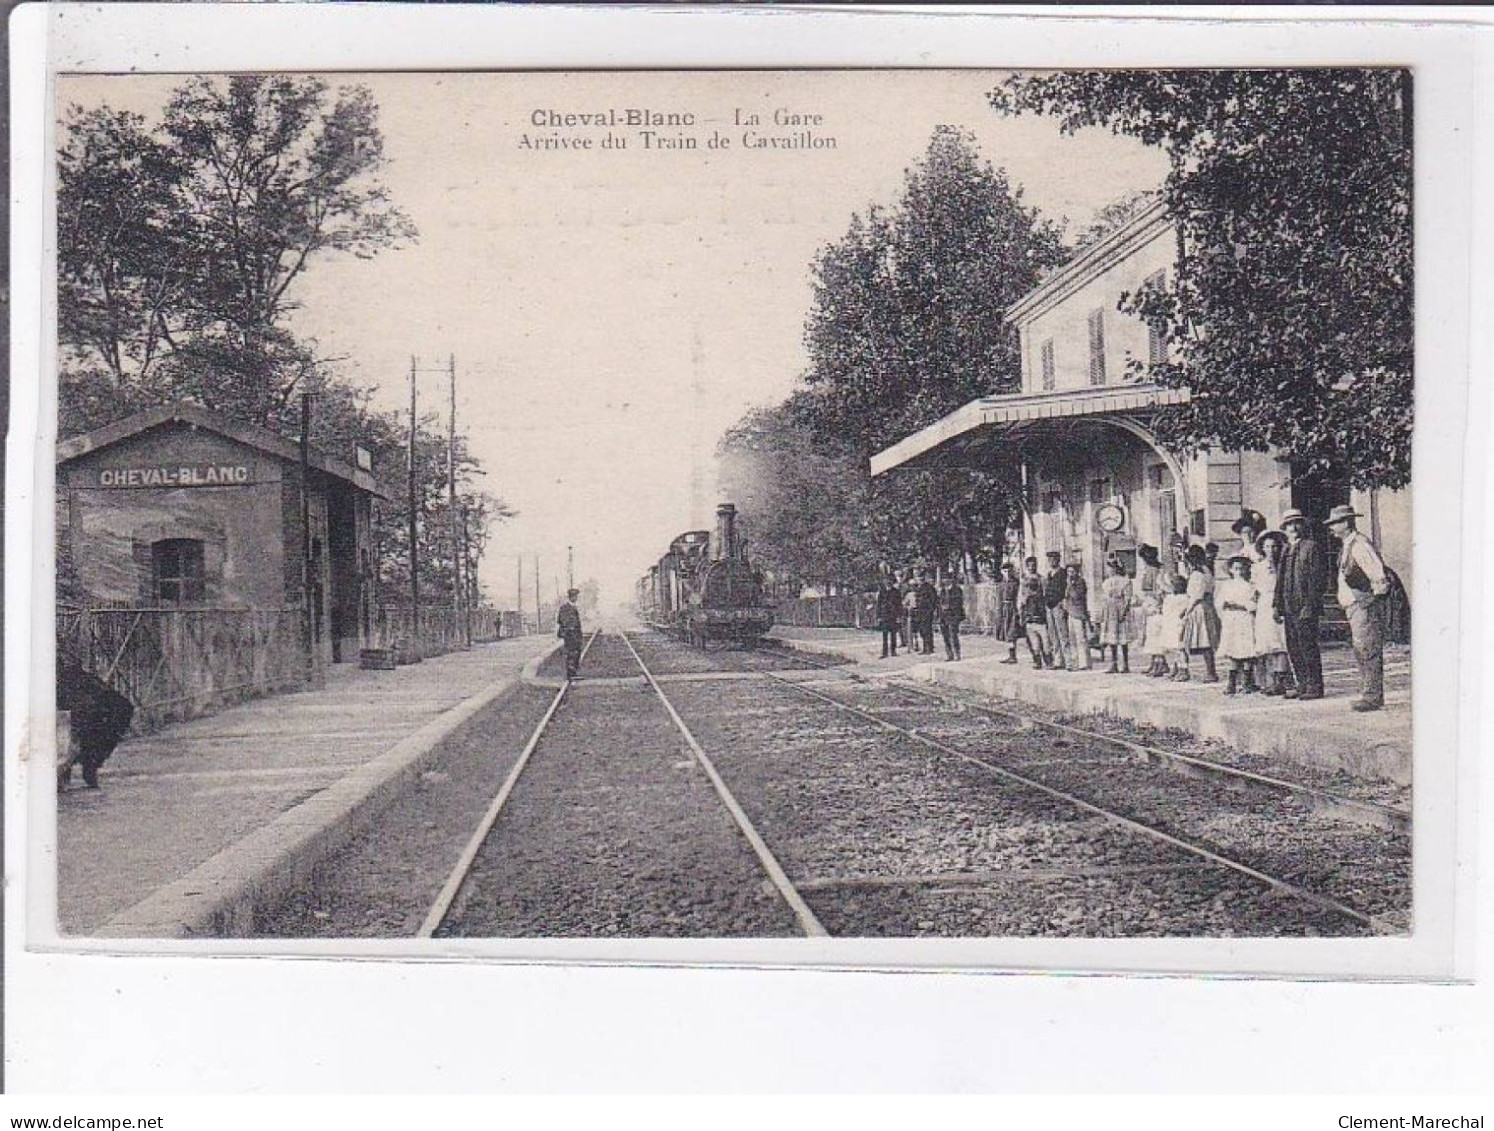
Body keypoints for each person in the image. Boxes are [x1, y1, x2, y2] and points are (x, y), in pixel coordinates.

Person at [1325, 504, 1391, 711]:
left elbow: (1379, 577)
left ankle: (1372, 696)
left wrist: (1370, 601)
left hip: (1362, 604)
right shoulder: (1348, 545)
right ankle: (1368, 692)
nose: (1332, 528)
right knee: (1361, 649)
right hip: (1354, 605)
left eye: (1335, 523)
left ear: (1346, 523)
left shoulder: (1360, 545)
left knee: (1368, 648)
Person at [56, 652, 134, 788]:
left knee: (116, 709)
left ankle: (88, 763)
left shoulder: (84, 680)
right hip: (69, 706)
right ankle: (75, 768)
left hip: (82, 707)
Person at [1275, 508, 1328, 700]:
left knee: (1308, 646)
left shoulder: (1311, 547)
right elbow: (1280, 580)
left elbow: (1317, 579)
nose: (1293, 528)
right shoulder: (1286, 549)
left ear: (1303, 526)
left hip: (1305, 605)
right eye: (1289, 525)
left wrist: (1310, 605)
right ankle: (1302, 683)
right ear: (1285, 528)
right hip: (1288, 606)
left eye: (1296, 523)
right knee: (1293, 647)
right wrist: (1277, 604)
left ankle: (1315, 686)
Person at [1252, 531, 1293, 696]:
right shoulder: (1257, 567)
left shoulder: (1284, 564)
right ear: (1262, 548)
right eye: (1267, 546)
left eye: (1274, 546)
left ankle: (1282, 680)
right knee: (1267, 643)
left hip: (1280, 603)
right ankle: (1270, 680)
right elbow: (1255, 589)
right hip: (1264, 605)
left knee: (1280, 641)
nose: (1271, 550)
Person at [1217, 555, 1260, 695]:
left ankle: (1248, 681)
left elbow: (1253, 604)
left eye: (1242, 569)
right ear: (1231, 570)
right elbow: (1220, 602)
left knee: (1247, 650)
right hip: (1231, 619)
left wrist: (1244, 606)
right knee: (1232, 650)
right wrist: (1225, 611)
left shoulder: (1251, 586)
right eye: (1236, 569)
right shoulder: (1227, 586)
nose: (1239, 572)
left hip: (1245, 618)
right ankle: (1232, 682)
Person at [1179, 544, 1221, 682]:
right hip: (1207, 606)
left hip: (1199, 608)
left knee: (1203, 641)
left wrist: (1187, 612)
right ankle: (1210, 671)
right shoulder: (1207, 571)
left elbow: (1196, 596)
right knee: (1206, 640)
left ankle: (1210, 672)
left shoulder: (1197, 575)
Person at [1099, 556, 1134, 674]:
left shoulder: (1125, 581)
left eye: (1111, 568)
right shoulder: (1107, 582)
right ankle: (1113, 663)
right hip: (1110, 610)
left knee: (1123, 639)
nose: (1109, 570)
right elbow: (1104, 598)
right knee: (1111, 638)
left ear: (1116, 568)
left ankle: (1125, 664)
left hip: (1120, 609)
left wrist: (1123, 612)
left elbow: (1128, 598)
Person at [1137, 544, 1168, 677]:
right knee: (1152, 635)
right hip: (1151, 603)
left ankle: (1159, 664)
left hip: (1155, 603)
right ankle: (1156, 663)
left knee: (1155, 634)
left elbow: (1153, 589)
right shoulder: (1157, 569)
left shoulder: (1154, 571)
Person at [1019, 557, 1052, 668]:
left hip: (1040, 613)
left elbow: (1045, 594)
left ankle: (1048, 660)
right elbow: (1021, 598)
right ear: (1027, 566)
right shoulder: (1023, 580)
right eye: (1030, 565)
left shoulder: (1041, 579)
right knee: (1034, 642)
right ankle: (1037, 661)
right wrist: (1021, 612)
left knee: (1046, 641)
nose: (1032, 567)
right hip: (1029, 613)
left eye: (1034, 565)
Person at [1042, 551, 1070, 671]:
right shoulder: (1048, 574)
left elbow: (1067, 589)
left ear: (1058, 559)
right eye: (1049, 559)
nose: (1051, 561)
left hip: (1059, 605)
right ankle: (1058, 660)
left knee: (1063, 633)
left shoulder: (1063, 573)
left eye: (1054, 559)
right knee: (1053, 635)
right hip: (1049, 607)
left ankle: (1069, 661)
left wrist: (1063, 603)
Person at [1158, 574, 1190, 680]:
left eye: (1178, 584)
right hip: (1169, 625)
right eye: (1173, 584)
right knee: (1172, 648)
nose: (1175, 587)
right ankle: (1175, 668)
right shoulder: (1170, 597)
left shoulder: (1185, 598)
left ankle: (1184, 670)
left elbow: (1184, 611)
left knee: (1180, 648)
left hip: (1178, 624)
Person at [1063, 563, 1092, 670]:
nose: (1070, 574)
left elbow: (1076, 596)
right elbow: (1066, 596)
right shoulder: (1069, 583)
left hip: (1079, 612)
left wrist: (1070, 586)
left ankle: (1084, 663)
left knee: (1081, 638)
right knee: (1072, 639)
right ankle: (1075, 662)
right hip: (1070, 612)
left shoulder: (1080, 582)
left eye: (1072, 572)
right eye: (1068, 572)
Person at [993, 562, 1022, 664]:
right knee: (1005, 632)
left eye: (1009, 571)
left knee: (1012, 632)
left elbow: (1018, 597)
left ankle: (1014, 656)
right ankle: (1011, 655)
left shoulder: (1016, 583)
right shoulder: (1000, 585)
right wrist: (999, 612)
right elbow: (998, 599)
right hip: (1003, 609)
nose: (1007, 573)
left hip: (1013, 609)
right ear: (1002, 572)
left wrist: (1018, 610)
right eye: (1005, 571)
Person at [938, 573, 966, 661]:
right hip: (943, 616)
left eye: (947, 579)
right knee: (945, 636)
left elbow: (958, 603)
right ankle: (949, 654)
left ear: (951, 580)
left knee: (953, 635)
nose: (945, 581)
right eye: (944, 579)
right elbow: (939, 603)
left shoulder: (957, 590)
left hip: (953, 616)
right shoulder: (942, 591)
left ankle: (957, 654)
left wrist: (949, 607)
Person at [557, 587, 584, 678]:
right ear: (571, 597)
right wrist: (570, 630)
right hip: (570, 635)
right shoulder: (565, 608)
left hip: (575, 634)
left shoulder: (572, 607)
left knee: (576, 652)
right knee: (572, 653)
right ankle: (571, 673)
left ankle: (573, 672)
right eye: (575, 596)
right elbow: (561, 620)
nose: (576, 598)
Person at [876, 573, 903, 659]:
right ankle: (884, 652)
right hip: (884, 615)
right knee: (884, 634)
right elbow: (879, 604)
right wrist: (878, 616)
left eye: (890, 580)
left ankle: (893, 651)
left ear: (892, 581)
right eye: (886, 580)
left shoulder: (896, 592)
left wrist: (899, 616)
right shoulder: (882, 592)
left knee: (893, 634)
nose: (888, 582)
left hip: (893, 615)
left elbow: (899, 605)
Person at [913, 570, 939, 655]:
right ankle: (925, 648)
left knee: (927, 630)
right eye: (918, 578)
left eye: (921, 578)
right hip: (919, 612)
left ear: (924, 578)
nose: (920, 579)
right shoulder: (917, 588)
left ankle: (929, 648)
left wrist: (932, 610)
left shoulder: (929, 588)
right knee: (922, 630)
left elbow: (933, 600)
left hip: (927, 611)